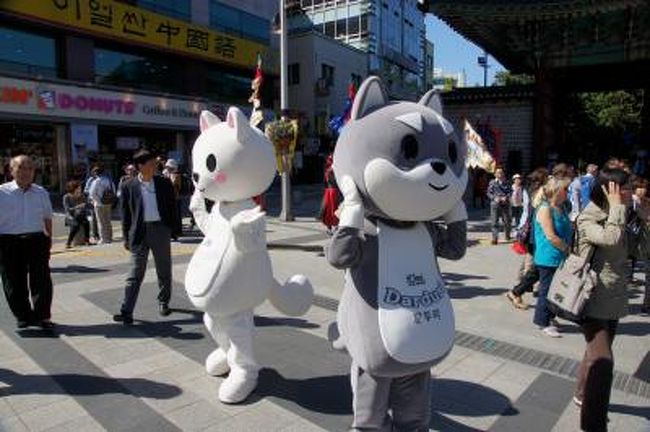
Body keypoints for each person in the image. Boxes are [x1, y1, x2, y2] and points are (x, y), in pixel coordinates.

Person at [574, 168, 634, 431]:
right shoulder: (589, 216)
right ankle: (593, 424)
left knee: (594, 354)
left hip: (615, 297)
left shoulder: (623, 214)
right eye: (627, 187)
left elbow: (640, 251)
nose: (632, 191)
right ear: (612, 191)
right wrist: (618, 209)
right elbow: (610, 239)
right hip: (592, 297)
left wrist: (644, 217)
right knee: (603, 362)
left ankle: (580, 393)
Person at [113, 150, 178, 324]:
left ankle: (163, 301)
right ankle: (127, 310)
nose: (155, 166)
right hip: (139, 233)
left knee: (163, 269)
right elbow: (125, 214)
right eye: (151, 163)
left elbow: (173, 207)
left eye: (155, 163)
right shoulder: (128, 185)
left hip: (160, 230)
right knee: (135, 273)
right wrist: (126, 237)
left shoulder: (164, 183)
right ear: (140, 166)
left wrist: (173, 229)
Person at [0, 155, 54, 329]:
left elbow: (47, 218)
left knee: (42, 280)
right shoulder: (2, 192)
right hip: (9, 241)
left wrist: (49, 238)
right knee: (13, 281)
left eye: (30, 168)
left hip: (37, 239)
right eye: (21, 168)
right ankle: (23, 316)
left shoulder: (41, 192)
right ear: (11, 170)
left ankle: (43, 316)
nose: (26, 172)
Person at [532, 175, 572, 337]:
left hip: (559, 256)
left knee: (555, 290)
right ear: (557, 191)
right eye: (565, 189)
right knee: (546, 290)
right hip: (548, 256)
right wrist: (567, 249)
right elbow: (550, 236)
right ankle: (542, 321)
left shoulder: (560, 207)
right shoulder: (545, 208)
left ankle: (550, 316)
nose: (567, 192)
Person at [506, 167, 548, 309]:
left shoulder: (532, 191)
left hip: (532, 231)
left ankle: (519, 288)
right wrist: (521, 228)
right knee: (532, 264)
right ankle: (518, 291)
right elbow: (528, 212)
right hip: (534, 232)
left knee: (530, 261)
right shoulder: (537, 193)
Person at [88, 165, 115, 244]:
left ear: (96, 173)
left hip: (99, 204)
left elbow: (92, 193)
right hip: (108, 203)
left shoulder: (96, 181)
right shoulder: (108, 180)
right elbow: (113, 190)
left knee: (101, 222)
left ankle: (104, 239)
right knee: (108, 221)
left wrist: (96, 201)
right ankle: (109, 237)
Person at [487, 167, 512, 244]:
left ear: (503, 174)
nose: (499, 174)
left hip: (505, 204)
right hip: (495, 204)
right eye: (498, 173)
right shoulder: (492, 182)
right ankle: (495, 238)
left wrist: (506, 197)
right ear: (495, 174)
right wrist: (494, 198)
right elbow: (488, 192)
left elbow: (510, 191)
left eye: (501, 172)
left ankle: (507, 234)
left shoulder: (507, 182)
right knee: (494, 222)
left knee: (507, 221)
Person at [63, 180, 90, 248]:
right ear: (73, 189)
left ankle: (87, 240)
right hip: (70, 217)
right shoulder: (66, 197)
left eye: (80, 189)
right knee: (76, 225)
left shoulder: (82, 196)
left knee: (86, 223)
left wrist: (85, 205)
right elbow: (67, 209)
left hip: (79, 215)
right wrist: (77, 207)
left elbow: (87, 205)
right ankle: (68, 242)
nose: (80, 190)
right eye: (78, 188)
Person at [163, 159, 183, 240]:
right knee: (170, 215)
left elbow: (176, 186)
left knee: (176, 215)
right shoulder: (165, 173)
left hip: (175, 198)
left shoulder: (176, 175)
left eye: (169, 167)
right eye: (167, 167)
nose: (167, 168)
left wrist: (172, 180)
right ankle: (171, 232)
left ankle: (177, 231)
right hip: (167, 198)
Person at [84, 168, 100, 243]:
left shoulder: (101, 179)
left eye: (97, 172)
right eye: (94, 172)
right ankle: (95, 235)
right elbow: (86, 190)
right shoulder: (90, 180)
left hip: (100, 201)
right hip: (92, 201)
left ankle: (100, 234)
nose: (96, 173)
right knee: (94, 218)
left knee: (100, 218)